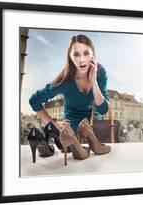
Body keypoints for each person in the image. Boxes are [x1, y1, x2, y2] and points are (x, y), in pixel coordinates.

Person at [28, 34, 111, 165]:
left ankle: (45, 143)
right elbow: (34, 101)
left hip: (92, 132)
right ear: (70, 56)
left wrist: (94, 81)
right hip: (70, 135)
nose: (82, 60)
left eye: (86, 53)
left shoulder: (100, 72)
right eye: (76, 54)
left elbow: (103, 109)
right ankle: (49, 142)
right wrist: (54, 124)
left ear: (93, 55)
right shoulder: (65, 81)